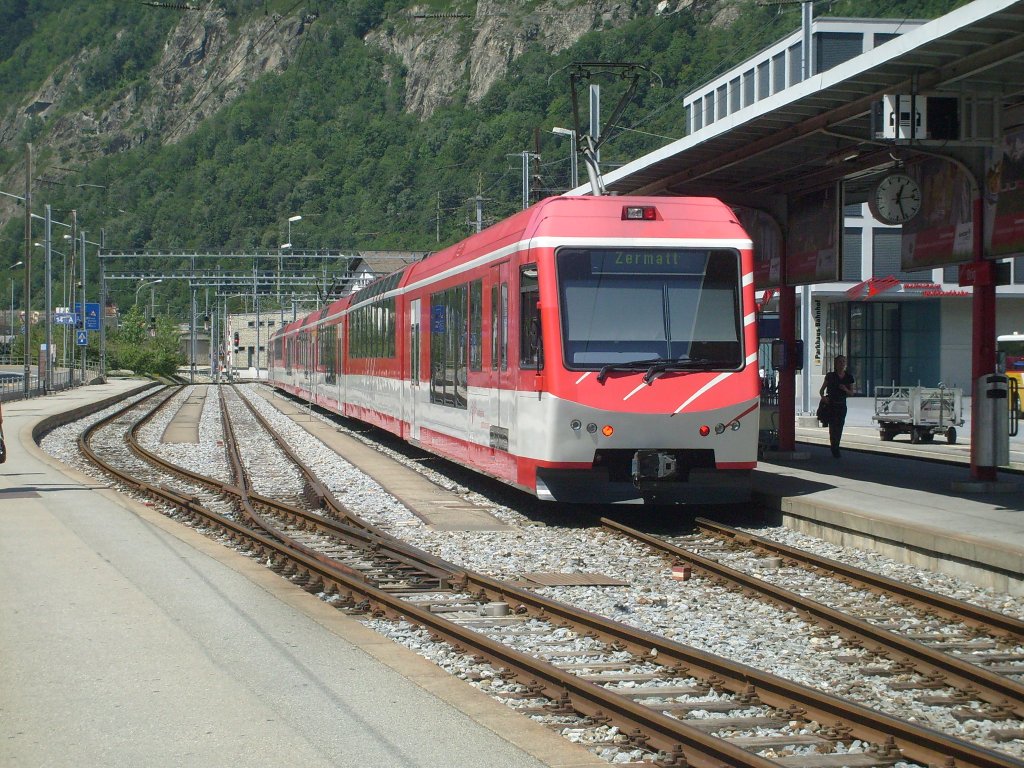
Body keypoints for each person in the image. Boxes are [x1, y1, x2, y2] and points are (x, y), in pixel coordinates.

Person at [819, 355, 854, 458]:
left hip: (842, 405)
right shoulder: (830, 376)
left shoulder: (849, 377)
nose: (842, 364)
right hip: (831, 404)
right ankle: (834, 447)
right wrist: (823, 397)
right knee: (832, 427)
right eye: (839, 362)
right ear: (835, 364)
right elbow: (822, 390)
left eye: (843, 362)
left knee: (839, 426)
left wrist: (845, 389)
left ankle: (836, 445)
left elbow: (851, 393)